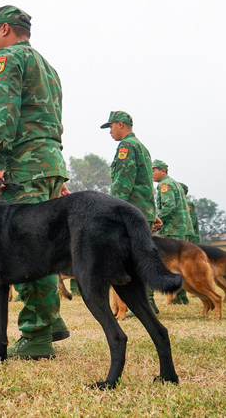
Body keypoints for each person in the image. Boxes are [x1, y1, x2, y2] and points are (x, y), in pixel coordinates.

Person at [0, 5, 69, 359]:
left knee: (26, 249)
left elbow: (4, 111)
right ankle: (52, 322)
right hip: (48, 163)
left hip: (22, 165)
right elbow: (51, 119)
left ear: (4, 29)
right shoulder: (48, 67)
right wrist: (55, 173)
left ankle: (36, 336)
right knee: (44, 245)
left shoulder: (7, 59)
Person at [101, 111, 159, 314]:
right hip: (142, 210)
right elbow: (144, 183)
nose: (110, 131)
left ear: (120, 124)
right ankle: (147, 304)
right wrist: (152, 211)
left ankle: (140, 305)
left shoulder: (126, 146)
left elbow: (123, 183)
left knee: (129, 261)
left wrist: (110, 210)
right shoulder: (142, 147)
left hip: (130, 214)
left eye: (111, 127)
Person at [152, 159, 194, 305]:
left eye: (154, 170)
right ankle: (181, 298)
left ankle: (173, 296)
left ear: (163, 171)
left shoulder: (165, 184)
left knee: (170, 264)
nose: (152, 174)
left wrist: (155, 221)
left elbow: (168, 206)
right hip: (179, 228)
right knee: (179, 264)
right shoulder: (174, 183)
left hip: (171, 230)